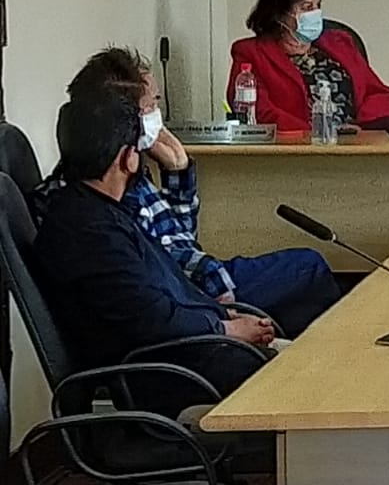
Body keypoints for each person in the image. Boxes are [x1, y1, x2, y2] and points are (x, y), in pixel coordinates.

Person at [35, 47, 341, 338]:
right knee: (307, 268)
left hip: (192, 306)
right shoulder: (97, 207)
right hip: (186, 322)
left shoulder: (118, 179)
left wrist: (178, 171)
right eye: (151, 106)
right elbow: (158, 297)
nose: (157, 116)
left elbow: (178, 246)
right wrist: (223, 325)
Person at [33, 92, 276, 397]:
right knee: (297, 379)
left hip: (184, 354)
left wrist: (222, 315)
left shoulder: (99, 209)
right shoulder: (90, 234)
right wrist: (227, 330)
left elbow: (166, 283)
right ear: (128, 158)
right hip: (165, 375)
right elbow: (153, 318)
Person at [227, 0, 389, 132]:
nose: (315, 13)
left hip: (357, 143)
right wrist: (315, 133)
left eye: (317, 6)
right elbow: (260, 112)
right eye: (307, 7)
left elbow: (379, 93)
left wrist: (362, 128)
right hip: (295, 149)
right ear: (279, 14)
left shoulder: (341, 43)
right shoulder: (250, 53)